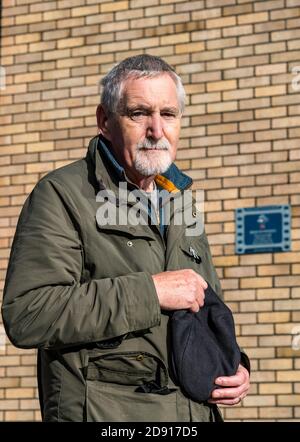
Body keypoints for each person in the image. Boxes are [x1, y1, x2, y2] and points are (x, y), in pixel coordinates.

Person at [2, 54, 250, 422]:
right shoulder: (62, 194)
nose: (156, 129)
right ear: (105, 121)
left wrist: (234, 363)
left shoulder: (182, 201)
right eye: (139, 113)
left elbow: (206, 304)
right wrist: (150, 292)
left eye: (168, 114)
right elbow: (28, 313)